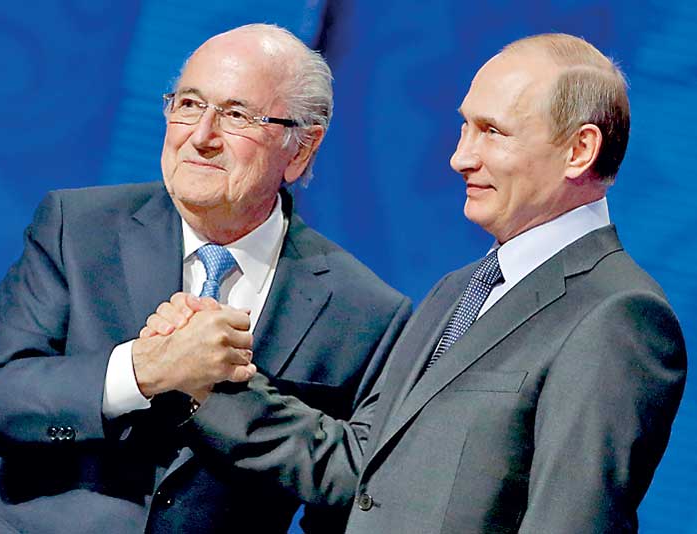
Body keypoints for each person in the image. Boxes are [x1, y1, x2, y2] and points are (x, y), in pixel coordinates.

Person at [158, 33, 687, 533]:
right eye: (465, 128)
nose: (461, 157)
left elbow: (570, 522)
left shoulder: (617, 315)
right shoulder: (459, 290)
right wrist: (210, 379)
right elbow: (359, 466)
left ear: (579, 151)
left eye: (492, 132)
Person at [0, 23, 411, 534]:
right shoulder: (76, 226)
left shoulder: (365, 310)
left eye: (236, 115)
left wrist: (216, 385)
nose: (201, 137)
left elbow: (351, 490)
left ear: (300, 149)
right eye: (189, 105)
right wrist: (141, 370)